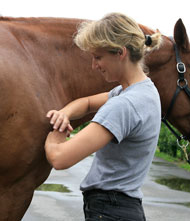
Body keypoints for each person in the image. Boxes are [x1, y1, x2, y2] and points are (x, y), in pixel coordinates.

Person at [45, 12, 162, 221]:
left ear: (120, 53)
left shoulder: (125, 105)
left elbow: (59, 158)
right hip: (122, 208)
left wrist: (55, 129)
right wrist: (65, 113)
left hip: (110, 211)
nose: (94, 65)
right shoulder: (142, 91)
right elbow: (87, 103)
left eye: (98, 57)